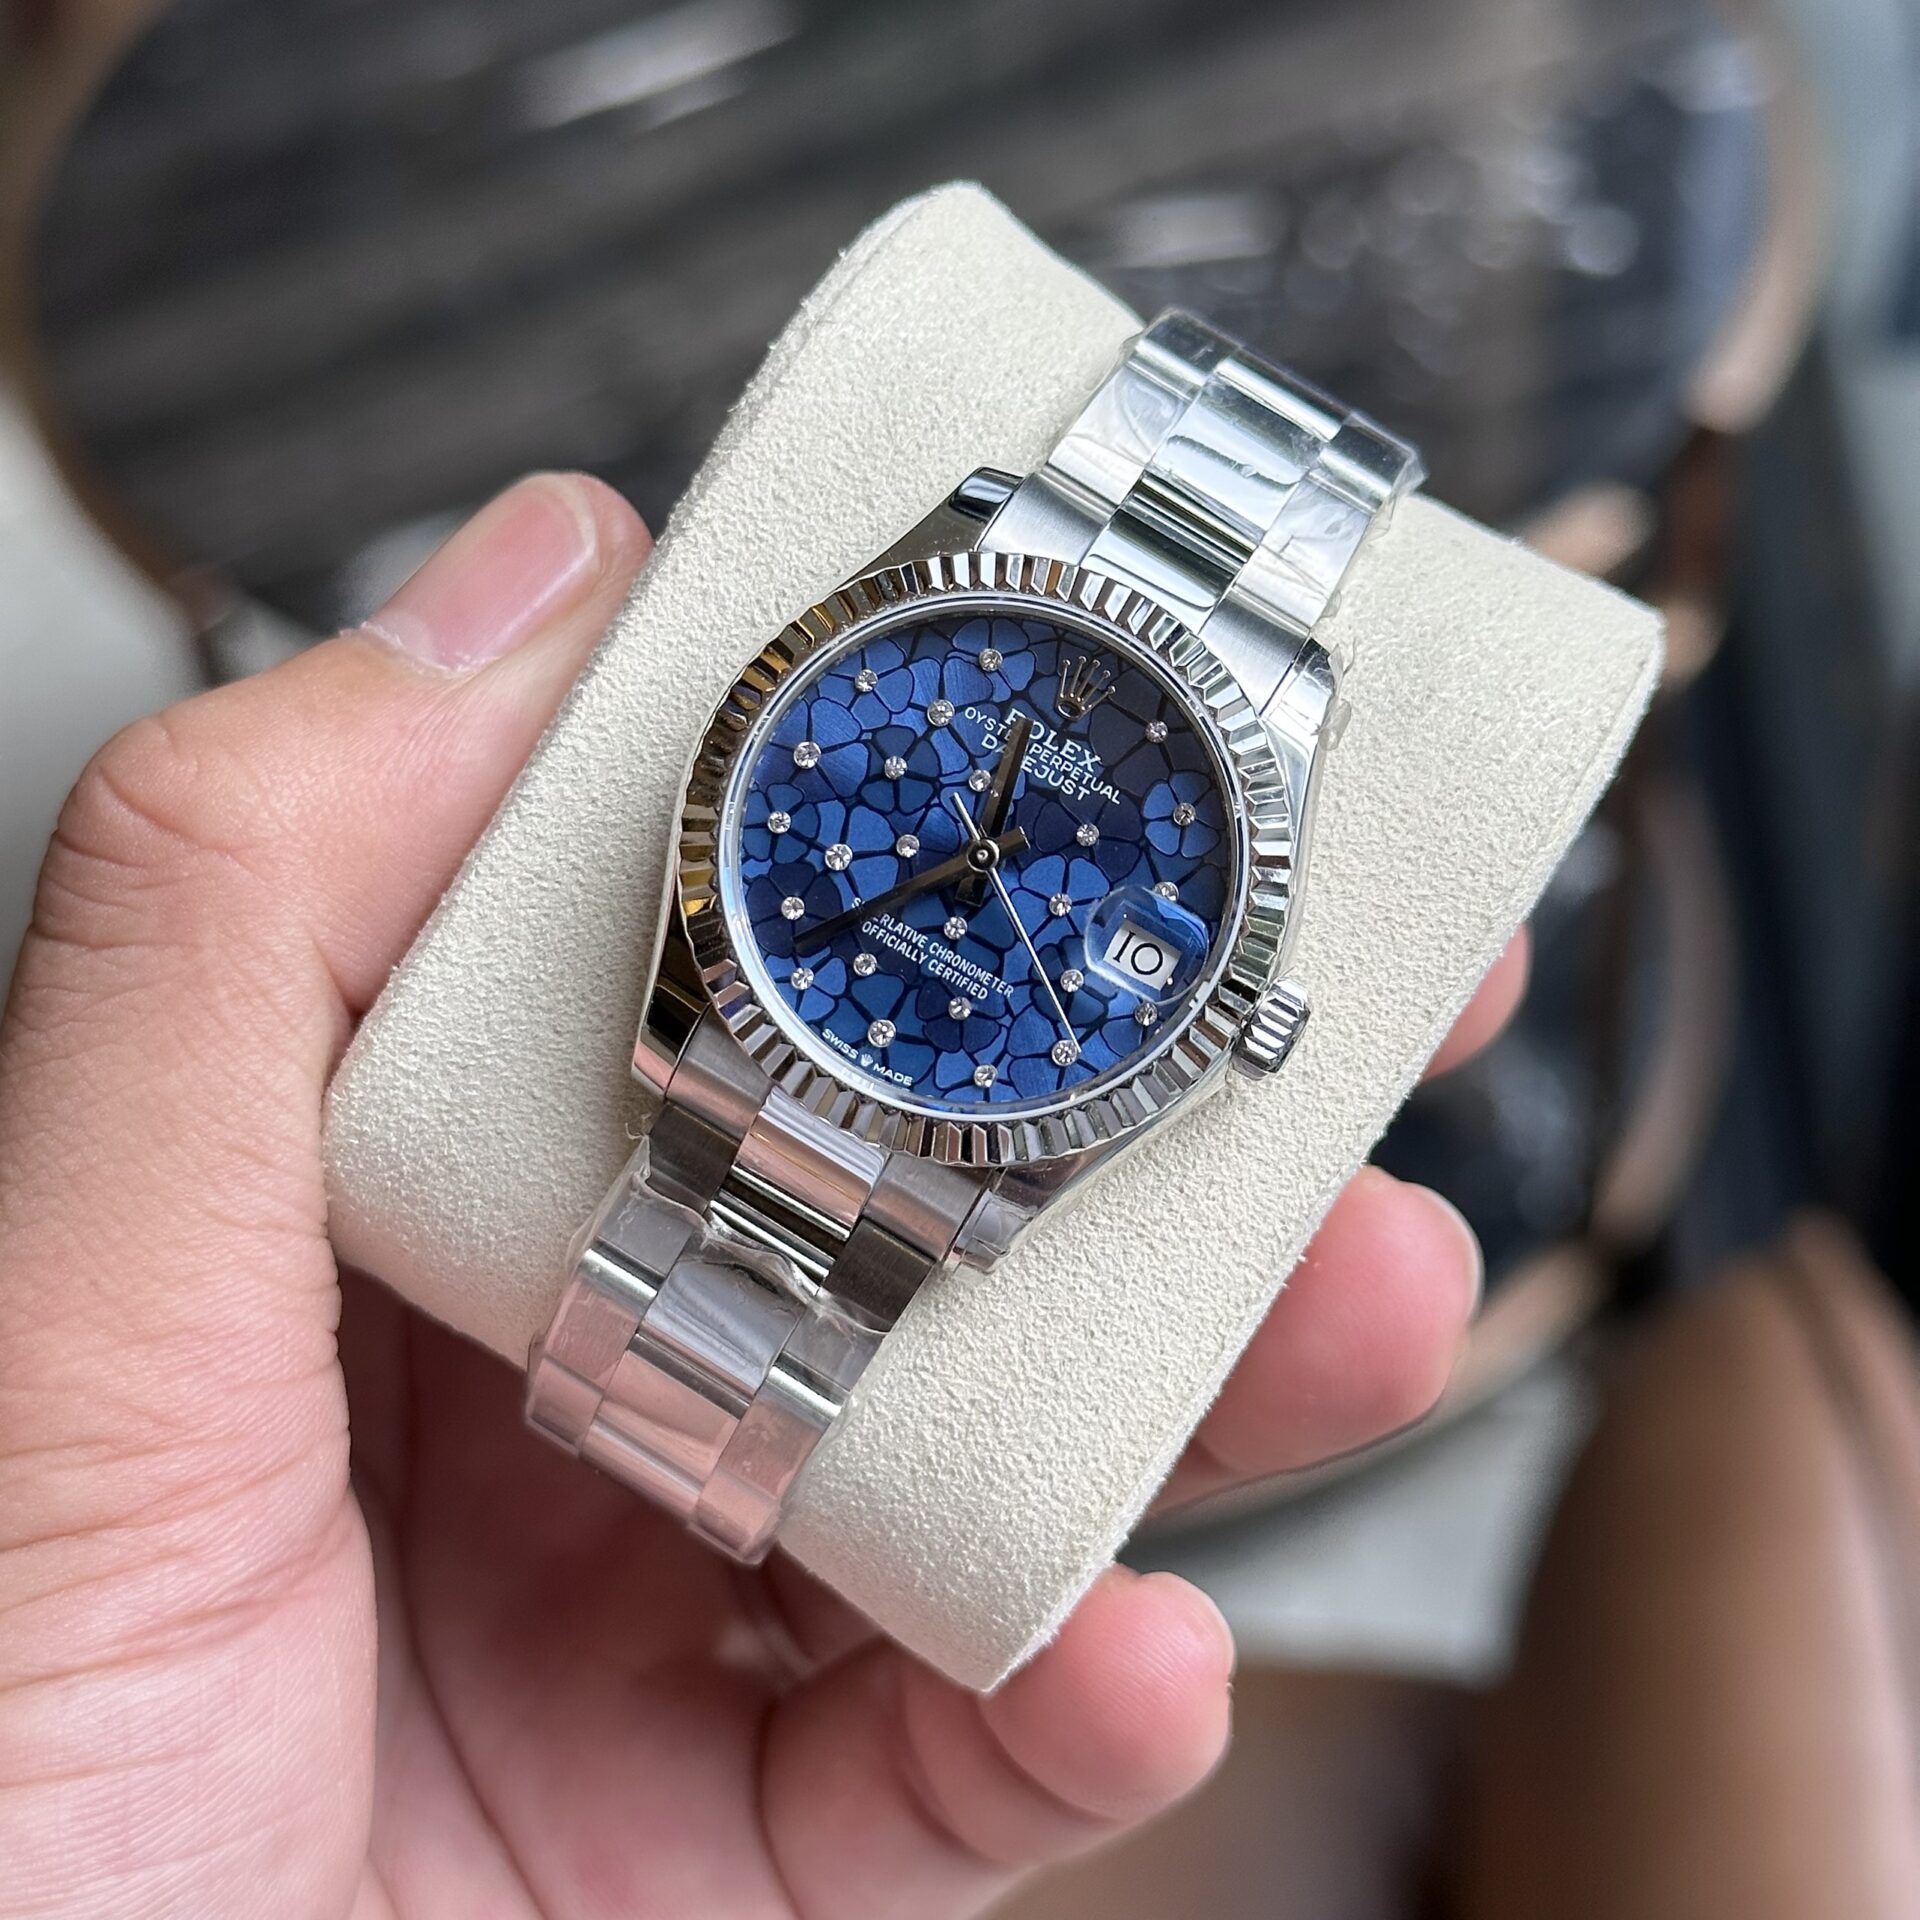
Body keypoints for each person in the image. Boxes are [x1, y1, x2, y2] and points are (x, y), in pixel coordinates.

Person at [0, 474, 1521, 1918]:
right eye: (984, 829)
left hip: (911, 1103)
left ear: (1239, 1009)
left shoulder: (1249, 754)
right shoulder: (975, 584)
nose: (987, 859)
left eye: (1010, 851)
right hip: (746, 1012)